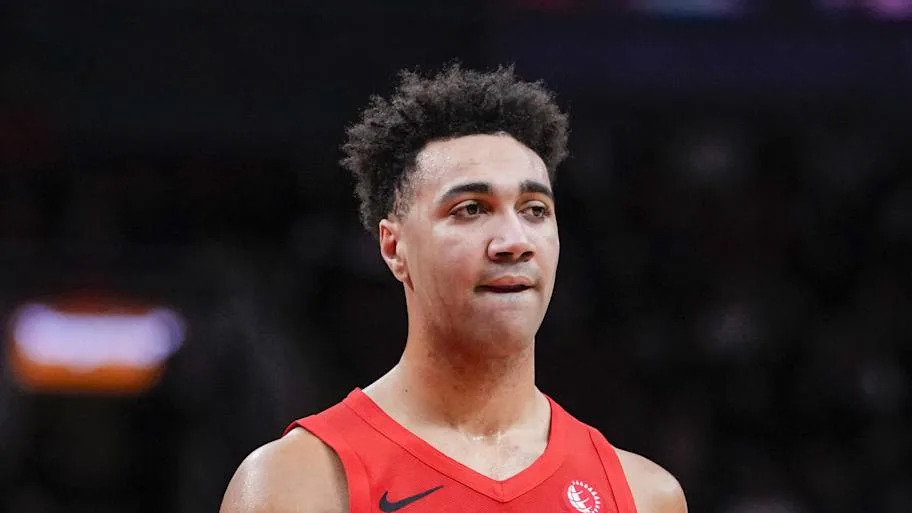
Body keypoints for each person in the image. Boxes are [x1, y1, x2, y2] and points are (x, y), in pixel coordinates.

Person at [220, 64, 687, 513]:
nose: (514, 242)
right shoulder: (298, 484)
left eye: (534, 210)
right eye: (470, 209)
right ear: (393, 246)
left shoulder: (643, 495)